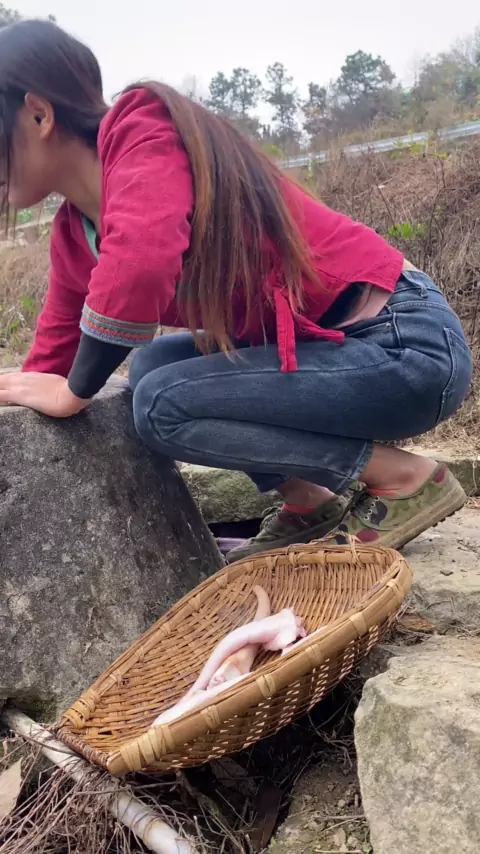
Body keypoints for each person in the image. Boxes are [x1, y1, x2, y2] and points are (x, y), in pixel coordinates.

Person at [0, 19, 472, 563]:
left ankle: (404, 478)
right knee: (151, 366)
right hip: (332, 358)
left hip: (404, 344)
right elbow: (46, 368)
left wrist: (75, 392)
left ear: (39, 114)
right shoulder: (73, 237)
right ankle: (308, 500)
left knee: (161, 405)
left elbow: (141, 261)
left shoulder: (140, 128)